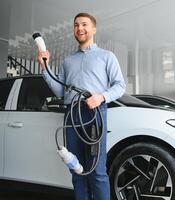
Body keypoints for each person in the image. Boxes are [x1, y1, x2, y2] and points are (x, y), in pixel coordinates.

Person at [38, 12, 126, 200]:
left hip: (94, 115)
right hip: (71, 115)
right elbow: (60, 92)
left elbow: (120, 86)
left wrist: (101, 97)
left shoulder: (106, 56)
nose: (80, 28)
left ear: (93, 29)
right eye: (76, 25)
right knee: (76, 169)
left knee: (96, 171)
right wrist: (45, 69)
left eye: (84, 24)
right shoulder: (67, 61)